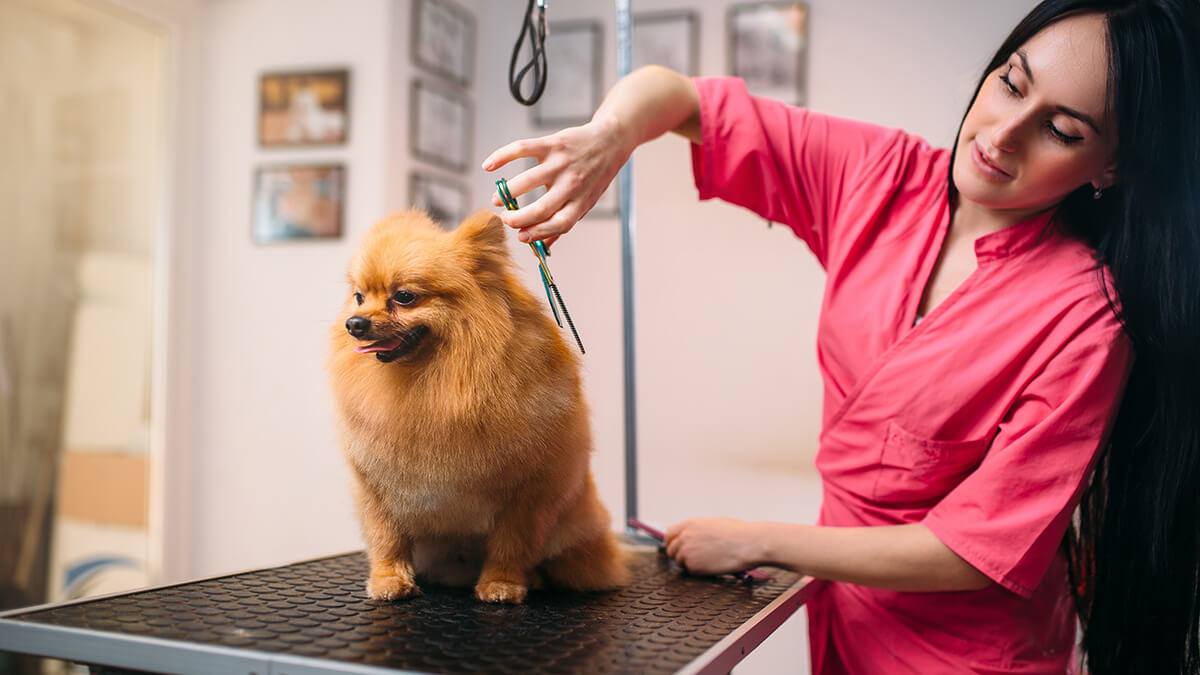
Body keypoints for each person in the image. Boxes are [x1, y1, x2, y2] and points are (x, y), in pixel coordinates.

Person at [482, 1, 1200, 673]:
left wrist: (760, 539)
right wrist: (609, 138)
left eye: (1062, 130)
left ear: (1110, 167)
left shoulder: (1089, 315)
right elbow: (679, 97)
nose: (1003, 134)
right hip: (845, 626)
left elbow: (974, 550)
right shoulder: (882, 176)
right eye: (1012, 83)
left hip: (972, 651)